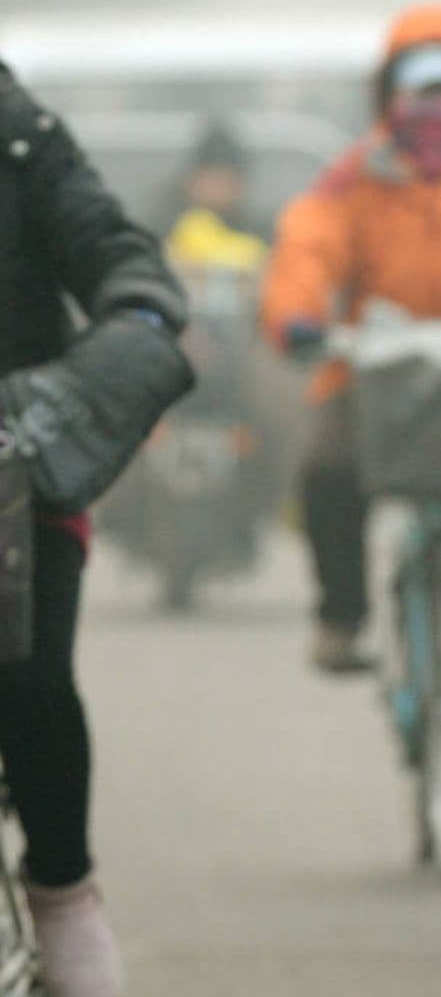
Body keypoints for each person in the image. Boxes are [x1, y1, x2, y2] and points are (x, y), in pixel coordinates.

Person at [0, 63, 189, 995]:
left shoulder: (19, 132)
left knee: (30, 680)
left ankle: (64, 899)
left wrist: (136, 319)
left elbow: (115, 250)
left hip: (16, 457)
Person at [261, 2, 441, 671]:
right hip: (375, 372)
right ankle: (341, 617)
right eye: (424, 94)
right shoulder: (357, 177)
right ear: (390, 96)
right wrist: (297, 315)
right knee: (328, 471)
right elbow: (309, 244)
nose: (439, 114)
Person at [165, 120, 267, 270]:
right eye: (211, 179)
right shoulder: (164, 225)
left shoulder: (259, 231)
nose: (217, 189)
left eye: (225, 180)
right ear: (191, 181)